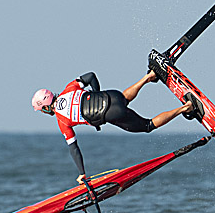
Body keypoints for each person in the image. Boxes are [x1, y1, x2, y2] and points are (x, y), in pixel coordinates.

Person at [32, 71, 200, 183]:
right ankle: (149, 76)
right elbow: (90, 76)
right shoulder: (69, 88)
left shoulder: (62, 122)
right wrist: (97, 93)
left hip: (112, 114)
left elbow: (74, 148)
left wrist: (82, 172)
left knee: (147, 125)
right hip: (111, 95)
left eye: (42, 110)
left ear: (46, 107)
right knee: (124, 98)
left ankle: (186, 107)